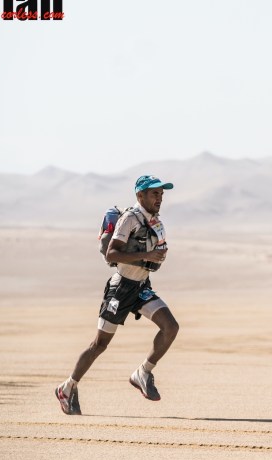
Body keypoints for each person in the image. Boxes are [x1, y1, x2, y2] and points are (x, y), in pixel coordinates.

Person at [55, 175, 179, 415]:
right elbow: (111, 254)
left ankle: (143, 372)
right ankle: (67, 387)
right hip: (120, 289)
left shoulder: (157, 223)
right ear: (140, 196)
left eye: (161, 194)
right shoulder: (129, 219)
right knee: (99, 344)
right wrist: (146, 255)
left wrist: (157, 257)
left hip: (141, 287)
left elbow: (157, 254)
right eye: (155, 193)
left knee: (171, 327)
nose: (160, 198)